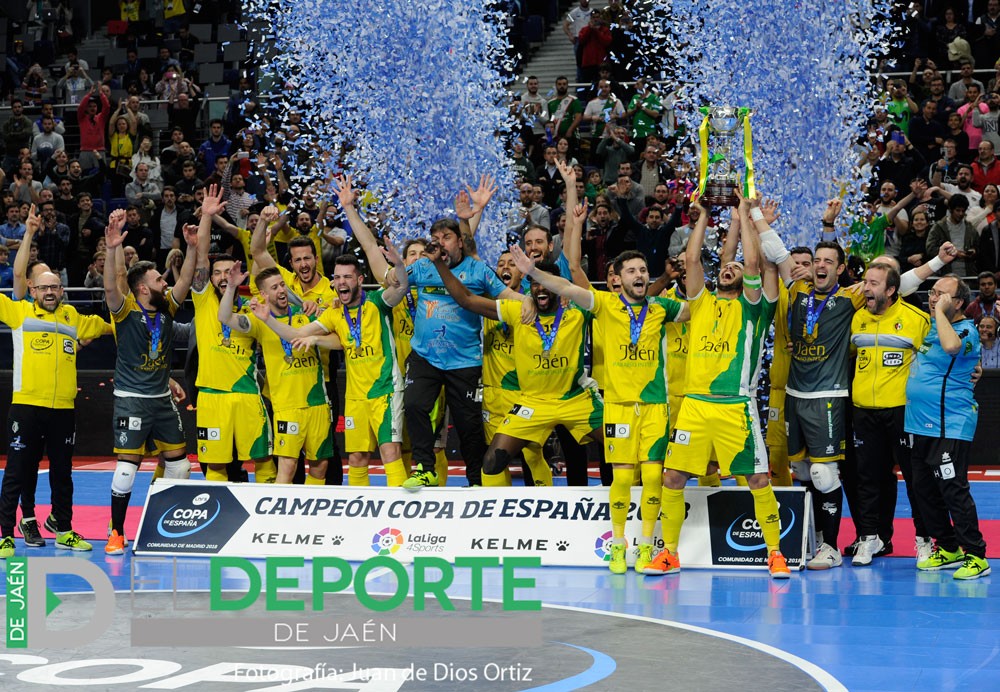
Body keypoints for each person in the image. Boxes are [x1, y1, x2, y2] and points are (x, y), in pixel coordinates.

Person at [512, 222, 689, 572]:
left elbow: (694, 305)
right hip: (618, 408)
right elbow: (565, 285)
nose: (639, 275)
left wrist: (690, 271)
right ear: (618, 279)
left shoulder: (661, 308)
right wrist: (533, 273)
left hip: (655, 407)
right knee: (622, 478)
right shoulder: (604, 304)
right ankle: (619, 544)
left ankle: (646, 546)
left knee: (653, 477)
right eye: (632, 271)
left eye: (643, 270)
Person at [643, 193, 789, 579]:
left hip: (735, 406)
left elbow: (754, 261)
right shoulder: (703, 302)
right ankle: (669, 553)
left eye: (736, 267)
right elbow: (691, 260)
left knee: (758, 478)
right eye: (727, 266)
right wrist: (704, 216)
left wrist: (743, 213)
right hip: (694, 406)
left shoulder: (755, 308)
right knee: (672, 477)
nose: (731, 268)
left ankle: (775, 552)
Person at [0, 208, 111, 559]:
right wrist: (30, 233)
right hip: (27, 405)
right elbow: (18, 271)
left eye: (55, 286)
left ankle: (63, 529)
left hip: (63, 409)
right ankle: (6, 534)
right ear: (33, 290)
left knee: (63, 474)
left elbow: (114, 323)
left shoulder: (73, 318)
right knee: (18, 472)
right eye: (43, 287)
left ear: (62, 288)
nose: (49, 292)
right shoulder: (19, 312)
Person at [249, 251, 410, 487]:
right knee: (356, 458)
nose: (341, 282)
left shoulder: (377, 302)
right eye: (336, 278)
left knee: (390, 452)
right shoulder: (334, 314)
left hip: (385, 389)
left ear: (360, 279)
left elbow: (401, 288)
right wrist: (268, 320)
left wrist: (398, 265)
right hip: (355, 396)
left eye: (347, 277)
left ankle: (399, 514)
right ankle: (360, 510)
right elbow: (296, 334)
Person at [400, 215, 525, 489]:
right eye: (435, 239)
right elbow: (392, 282)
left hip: (464, 361)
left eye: (446, 237)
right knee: (414, 405)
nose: (440, 244)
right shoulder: (423, 267)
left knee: (469, 427)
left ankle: (475, 480)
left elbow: (508, 297)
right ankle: (424, 468)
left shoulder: (478, 271)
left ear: (460, 241)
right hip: (425, 356)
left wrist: (540, 301)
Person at [103, 208, 197, 555]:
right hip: (131, 399)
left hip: (161, 399)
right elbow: (112, 286)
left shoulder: (168, 310)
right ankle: (116, 531)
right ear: (143, 289)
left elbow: (185, 281)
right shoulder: (125, 311)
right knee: (128, 468)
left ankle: (164, 526)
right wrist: (112, 246)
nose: (166, 284)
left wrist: (191, 247)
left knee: (181, 465)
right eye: (160, 281)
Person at [849, 261, 933, 566]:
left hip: (902, 412)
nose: (865, 288)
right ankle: (871, 538)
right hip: (863, 413)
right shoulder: (857, 318)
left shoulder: (916, 319)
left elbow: (936, 357)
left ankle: (924, 540)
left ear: (891, 289)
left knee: (915, 479)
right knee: (868, 478)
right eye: (865, 282)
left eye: (873, 283)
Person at [189, 185, 274, 484]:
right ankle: (219, 523)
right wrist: (207, 216)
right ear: (210, 278)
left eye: (230, 272)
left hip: (248, 395)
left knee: (263, 460)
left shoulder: (253, 309)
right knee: (216, 466)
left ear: (240, 275)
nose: (224, 277)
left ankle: (264, 521)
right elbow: (200, 258)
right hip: (212, 397)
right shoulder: (203, 300)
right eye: (218, 273)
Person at [907, 274, 990, 579]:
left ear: (957, 303)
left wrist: (940, 313)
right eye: (932, 292)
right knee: (924, 490)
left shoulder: (966, 329)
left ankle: (976, 555)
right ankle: (949, 547)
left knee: (953, 490)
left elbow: (953, 346)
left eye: (941, 294)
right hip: (919, 424)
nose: (933, 297)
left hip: (949, 424)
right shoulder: (930, 324)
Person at [217, 263, 332, 485]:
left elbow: (329, 329)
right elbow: (225, 317)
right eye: (274, 287)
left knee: (320, 466)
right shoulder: (260, 321)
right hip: (287, 405)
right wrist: (231, 287)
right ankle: (280, 519)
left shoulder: (306, 314)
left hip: (318, 401)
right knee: (287, 466)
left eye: (282, 285)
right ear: (263, 294)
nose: (281, 291)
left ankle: (309, 517)